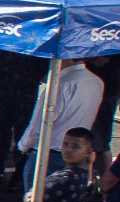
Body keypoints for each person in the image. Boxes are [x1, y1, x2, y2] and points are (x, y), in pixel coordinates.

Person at [9, 58, 105, 189]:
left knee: (36, 198)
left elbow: (39, 123)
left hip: (48, 154)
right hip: (78, 153)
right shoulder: (97, 82)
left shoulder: (59, 84)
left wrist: (22, 147)